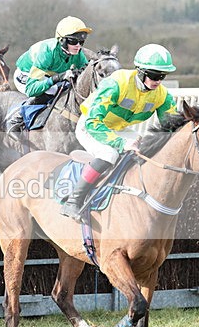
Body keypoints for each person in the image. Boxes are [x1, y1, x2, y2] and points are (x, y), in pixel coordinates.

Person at [60, 43, 178, 222]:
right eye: (154, 75)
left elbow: (172, 127)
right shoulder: (117, 82)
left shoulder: (162, 95)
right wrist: (121, 143)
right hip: (91, 126)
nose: (158, 81)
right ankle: (73, 201)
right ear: (140, 71)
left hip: (118, 128)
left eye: (162, 75)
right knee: (109, 153)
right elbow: (93, 122)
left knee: (143, 146)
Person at [7, 16, 92, 134]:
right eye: (73, 41)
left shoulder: (78, 54)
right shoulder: (47, 52)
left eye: (81, 41)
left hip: (48, 75)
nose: (78, 45)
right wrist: (58, 77)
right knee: (53, 89)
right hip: (25, 76)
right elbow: (31, 89)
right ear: (62, 40)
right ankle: (17, 117)